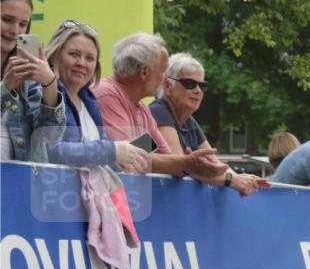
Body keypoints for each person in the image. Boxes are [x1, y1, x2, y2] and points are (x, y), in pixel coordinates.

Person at [94, 33, 225, 180]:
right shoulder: (107, 95)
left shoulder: (142, 109)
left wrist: (187, 165)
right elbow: (129, 161)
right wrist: (185, 163)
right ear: (145, 72)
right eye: (163, 71)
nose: (165, 78)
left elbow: (167, 158)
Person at [151, 52, 270, 196]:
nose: (198, 90)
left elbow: (217, 165)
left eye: (202, 85)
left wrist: (243, 179)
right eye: (190, 84)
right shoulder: (158, 111)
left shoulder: (189, 122)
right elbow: (179, 166)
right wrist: (231, 180)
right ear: (168, 86)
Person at [41, 20, 149, 173]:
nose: (81, 63)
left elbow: (100, 158)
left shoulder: (90, 101)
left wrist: (123, 161)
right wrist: (112, 151)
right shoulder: (44, 94)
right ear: (54, 56)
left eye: (90, 58)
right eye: (74, 54)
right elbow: (47, 151)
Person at [1, 0, 64, 161]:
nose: (14, 31)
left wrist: (49, 82)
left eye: (23, 24)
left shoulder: (26, 74)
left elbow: (49, 138)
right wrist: (5, 89)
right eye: (6, 19)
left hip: (19, 181)